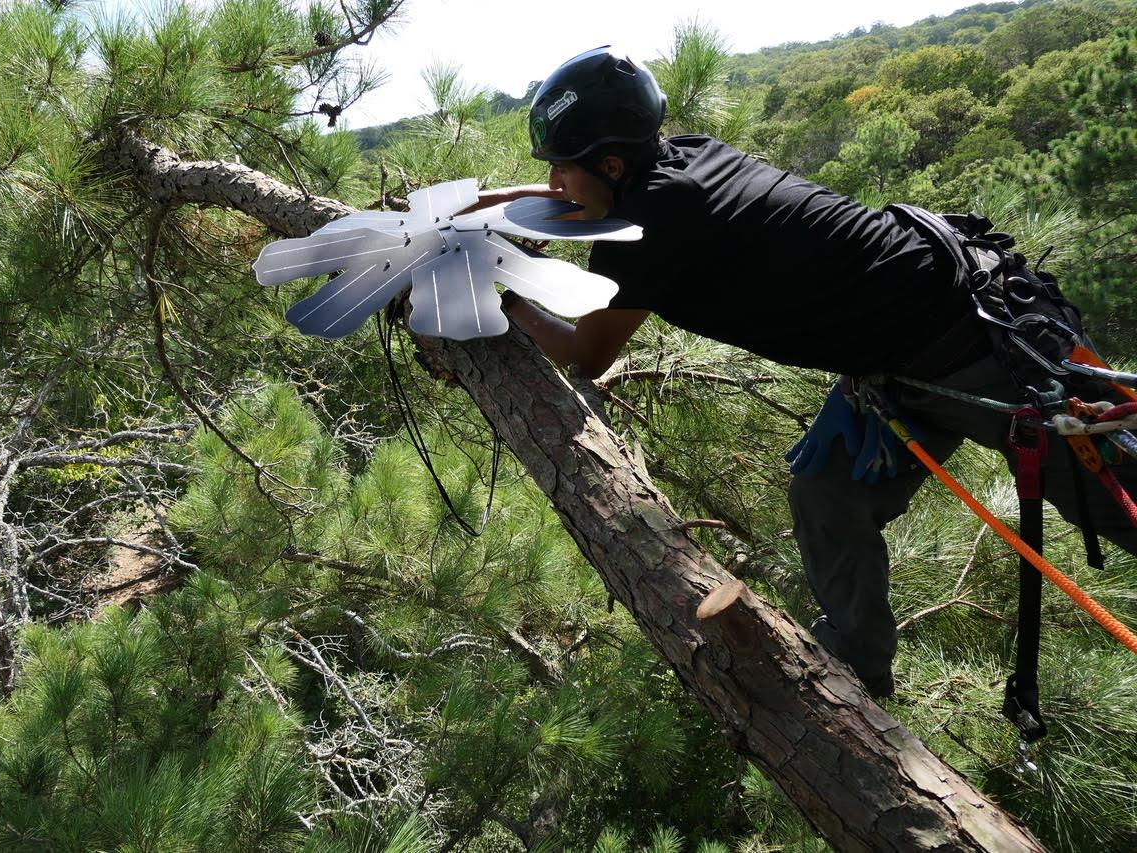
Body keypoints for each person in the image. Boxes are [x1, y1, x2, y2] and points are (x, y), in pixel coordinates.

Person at [476, 46, 1137, 699]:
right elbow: (597, 195)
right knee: (826, 495)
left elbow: (588, 354)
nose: (556, 186)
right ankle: (858, 669)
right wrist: (508, 201)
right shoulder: (683, 154)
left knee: (1117, 500)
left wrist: (506, 293)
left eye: (561, 171)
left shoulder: (650, 225)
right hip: (897, 355)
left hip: (976, 350)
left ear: (612, 163)